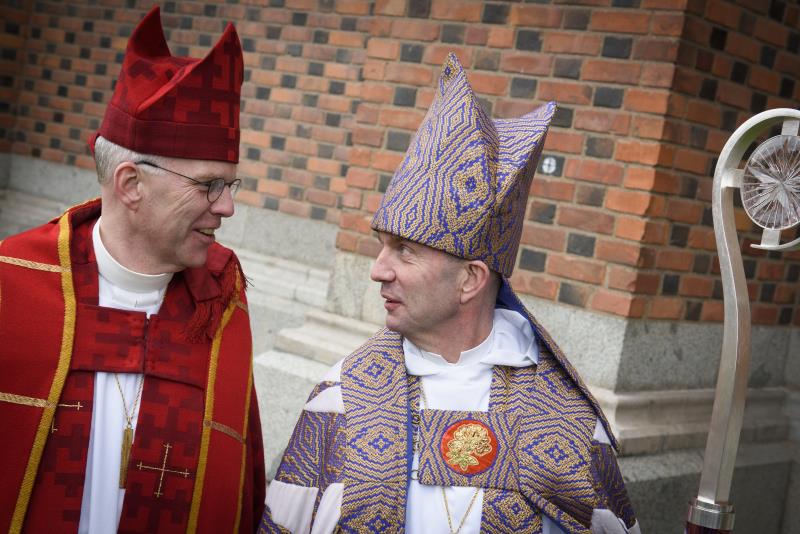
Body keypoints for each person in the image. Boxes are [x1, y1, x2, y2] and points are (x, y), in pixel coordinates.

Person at [259, 53, 640, 534]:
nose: (378, 271)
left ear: (471, 279)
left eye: (405, 250)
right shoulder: (342, 398)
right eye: (381, 247)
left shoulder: (565, 418)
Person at [0, 7, 265, 533]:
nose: (227, 207)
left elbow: (242, 478)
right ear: (130, 184)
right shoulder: (14, 287)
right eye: (208, 184)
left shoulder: (220, 303)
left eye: (229, 186)